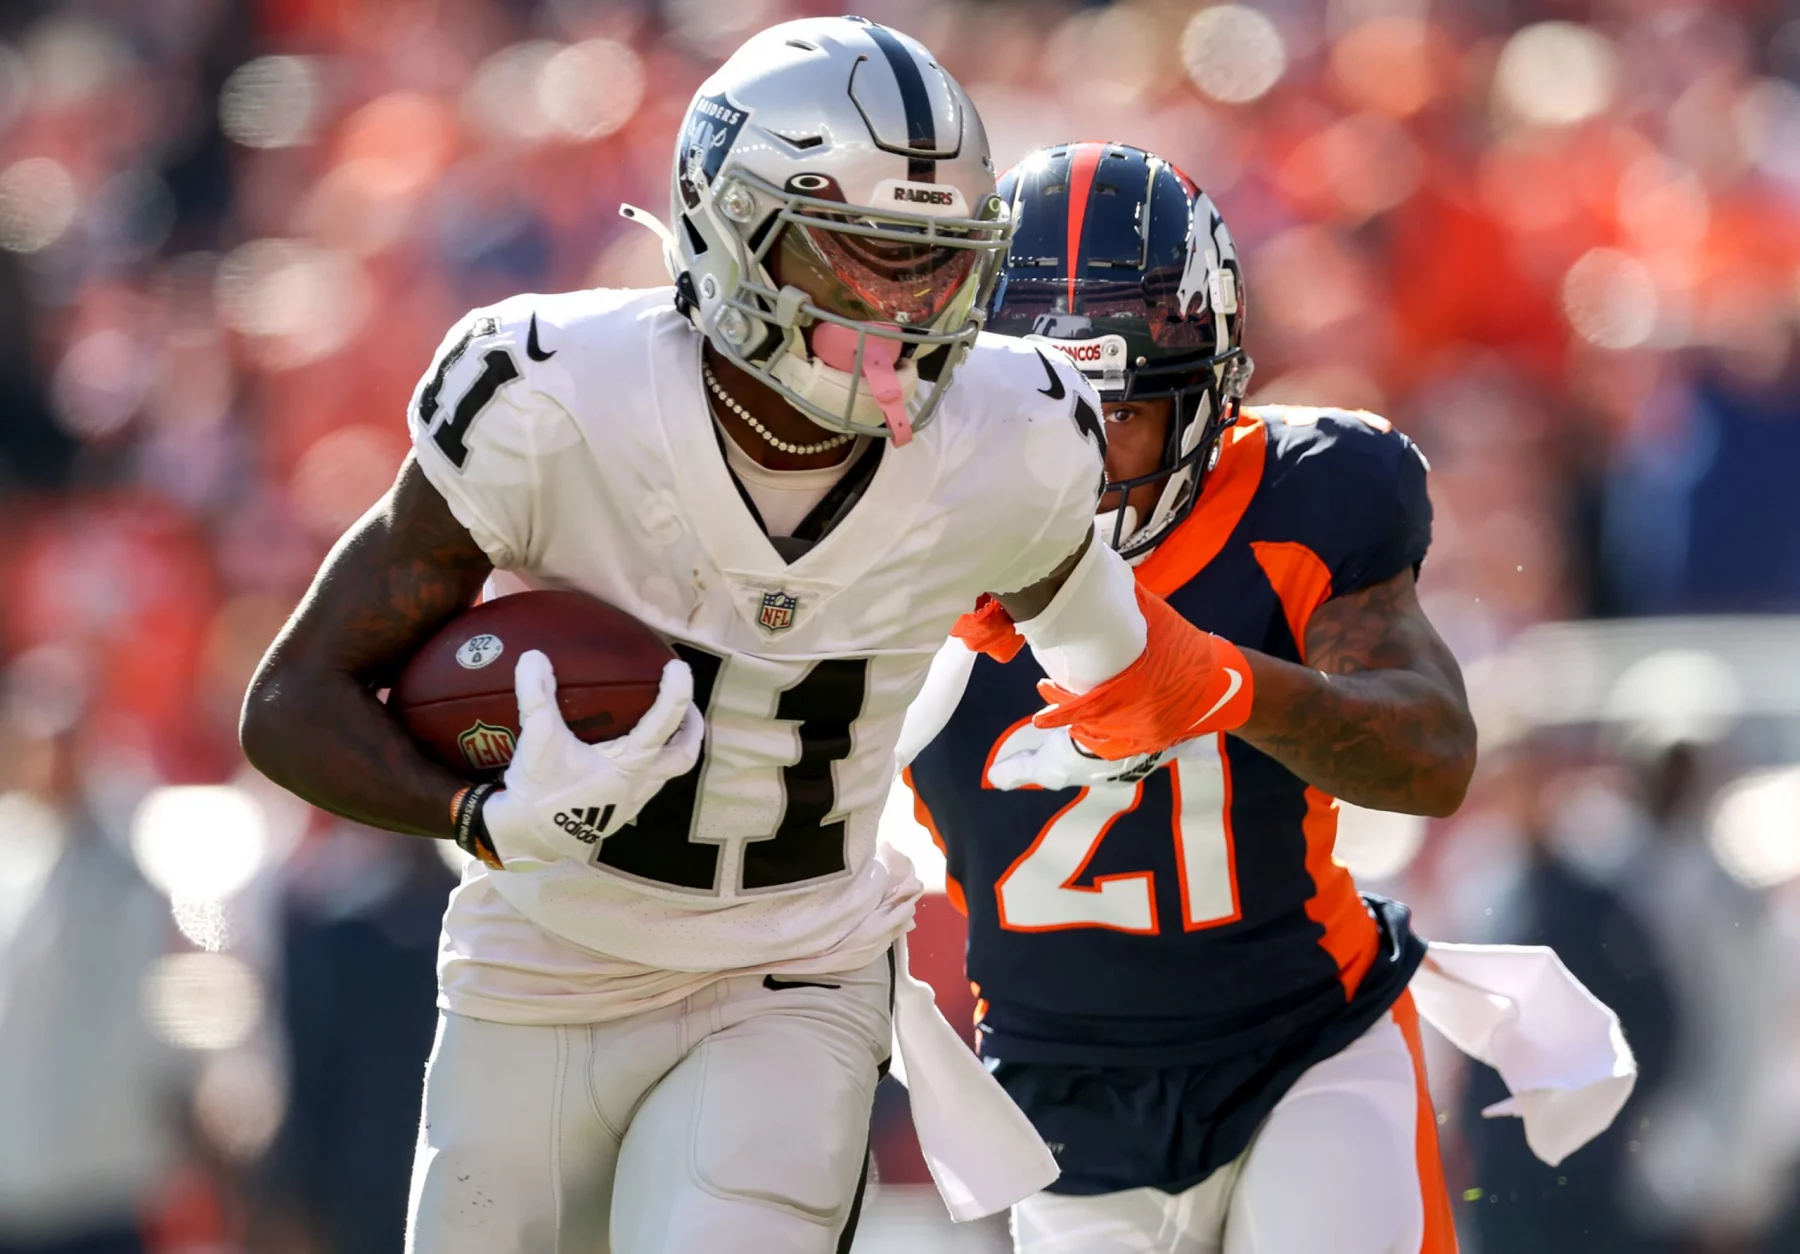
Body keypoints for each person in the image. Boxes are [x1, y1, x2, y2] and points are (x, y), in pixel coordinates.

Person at [240, 25, 1254, 1254]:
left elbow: (1121, 658)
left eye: (940, 265)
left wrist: (1187, 708)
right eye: (870, 256)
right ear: (734, 230)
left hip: (792, 975)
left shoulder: (1017, 430)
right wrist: (481, 821)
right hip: (544, 963)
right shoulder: (553, 396)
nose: (910, 307)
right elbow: (294, 700)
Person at [900, 143, 1479, 1254]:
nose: (1075, 456)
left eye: (1111, 412)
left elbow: (1435, 756)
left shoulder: (1310, 494)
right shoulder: (898, 535)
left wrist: (1221, 685)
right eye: (1040, 404)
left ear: (1206, 391)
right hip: (1058, 1099)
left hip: (1303, 1047)